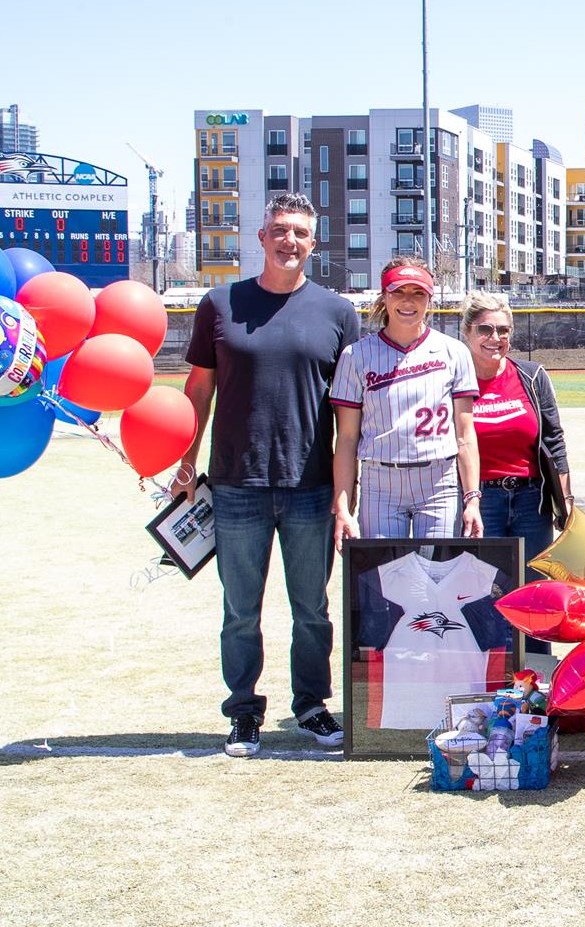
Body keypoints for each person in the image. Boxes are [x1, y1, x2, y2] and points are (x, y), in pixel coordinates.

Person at [172, 192, 361, 758]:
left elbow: (350, 411)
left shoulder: (337, 312)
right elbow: (198, 390)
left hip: (310, 487)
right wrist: (186, 457)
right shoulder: (220, 303)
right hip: (235, 484)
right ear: (260, 237)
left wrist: (346, 493)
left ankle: (311, 707)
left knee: (312, 609)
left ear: (313, 243)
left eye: (301, 233)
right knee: (240, 609)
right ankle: (244, 712)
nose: (290, 241)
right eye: (280, 230)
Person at [330, 258, 482, 544]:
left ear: (429, 298)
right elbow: (347, 439)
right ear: (384, 296)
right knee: (384, 579)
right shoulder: (356, 356)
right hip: (380, 479)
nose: (408, 301)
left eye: (418, 293)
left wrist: (472, 498)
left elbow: (465, 436)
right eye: (398, 291)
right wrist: (342, 507)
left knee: (438, 576)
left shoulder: (454, 352)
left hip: (439, 480)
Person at [462, 291, 573, 654]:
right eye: (486, 329)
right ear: (467, 331)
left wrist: (566, 504)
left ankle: (537, 687)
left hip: (531, 499)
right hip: (481, 499)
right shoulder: (454, 378)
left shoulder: (530, 375)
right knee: (484, 594)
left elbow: (554, 441)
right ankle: (491, 682)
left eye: (504, 330)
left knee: (536, 596)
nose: (496, 338)